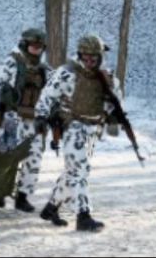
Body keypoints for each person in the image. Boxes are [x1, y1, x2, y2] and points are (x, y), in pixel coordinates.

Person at [35, 34, 120, 232]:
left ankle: (51, 207)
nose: (90, 62)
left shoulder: (106, 76)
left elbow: (114, 98)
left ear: (100, 56)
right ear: (80, 55)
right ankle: (84, 215)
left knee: (73, 171)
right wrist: (40, 116)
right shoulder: (67, 73)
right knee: (81, 171)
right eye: (86, 58)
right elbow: (48, 94)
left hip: (92, 130)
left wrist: (113, 113)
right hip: (72, 127)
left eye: (94, 58)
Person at [0, 28, 51, 212]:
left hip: (35, 120)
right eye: (33, 46)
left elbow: (51, 94)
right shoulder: (13, 62)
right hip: (12, 117)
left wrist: (50, 117)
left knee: (34, 158)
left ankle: (23, 196)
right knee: (8, 156)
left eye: (40, 47)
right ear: (25, 44)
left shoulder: (45, 70)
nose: (36, 50)